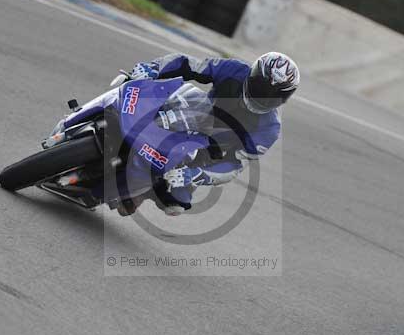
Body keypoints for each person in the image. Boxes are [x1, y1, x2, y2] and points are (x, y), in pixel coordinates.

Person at [128, 52, 300, 216]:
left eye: (273, 96)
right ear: (253, 74)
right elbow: (188, 64)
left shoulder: (269, 128)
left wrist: (197, 175)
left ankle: (140, 193)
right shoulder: (235, 70)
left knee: (176, 202)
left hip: (205, 150)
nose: (264, 97)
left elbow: (235, 164)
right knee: (163, 94)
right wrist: (154, 68)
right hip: (191, 113)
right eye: (262, 88)